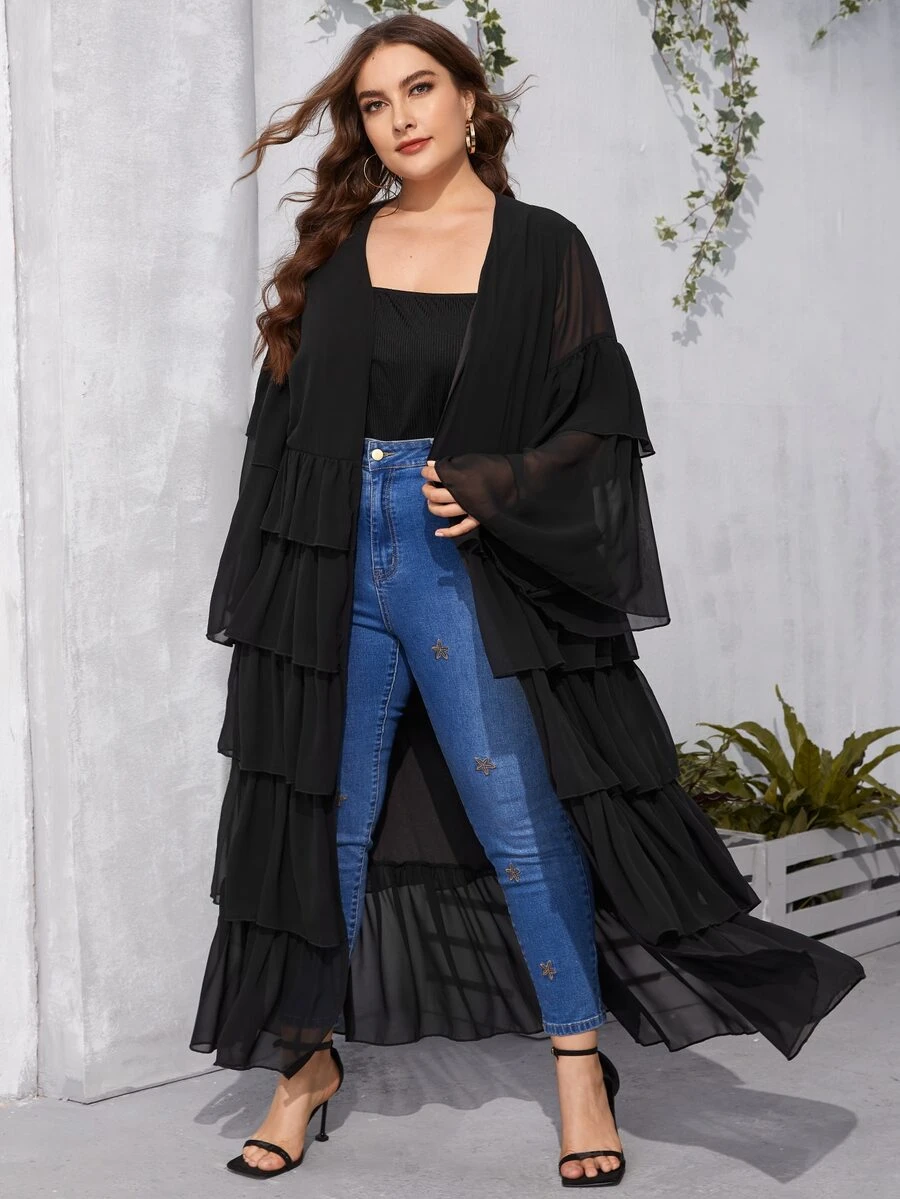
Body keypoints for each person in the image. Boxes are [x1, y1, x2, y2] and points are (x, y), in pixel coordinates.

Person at [189, 13, 865, 1187]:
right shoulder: (343, 246)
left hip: (457, 558)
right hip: (336, 555)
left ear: (469, 100)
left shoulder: (542, 246)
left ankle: (578, 1064)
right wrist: (275, 583)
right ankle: (306, 1061)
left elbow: (598, 414)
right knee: (325, 817)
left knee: (520, 818)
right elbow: (281, 428)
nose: (398, 118)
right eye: (373, 103)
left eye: (419, 89)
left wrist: (495, 482)